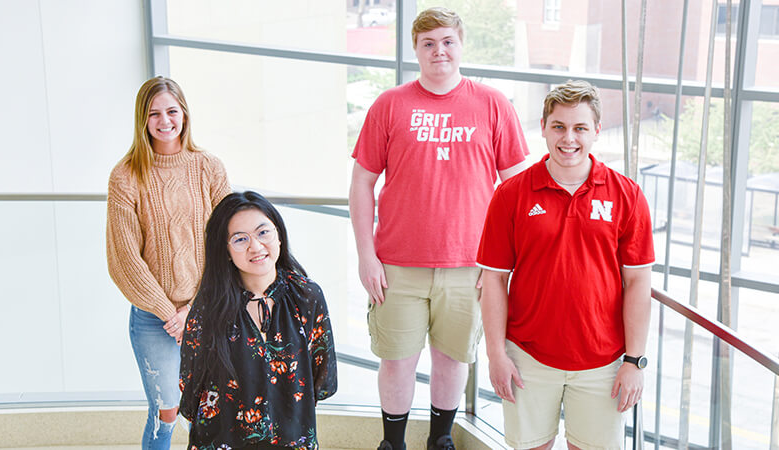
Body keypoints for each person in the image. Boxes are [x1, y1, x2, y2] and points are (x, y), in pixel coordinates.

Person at [349, 7, 529, 450]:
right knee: (396, 361)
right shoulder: (390, 105)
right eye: (428, 44)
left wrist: (501, 267)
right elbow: (361, 183)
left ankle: (441, 440)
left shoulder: (492, 104)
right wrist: (366, 255)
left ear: (461, 45)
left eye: (447, 42)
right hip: (396, 266)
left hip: (469, 266)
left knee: (452, 361)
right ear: (416, 50)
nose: (439, 51)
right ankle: (393, 443)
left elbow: (517, 191)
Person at [477, 80, 654, 450]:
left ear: (597, 132)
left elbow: (638, 283)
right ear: (543, 127)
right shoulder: (511, 194)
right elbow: (493, 279)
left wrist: (634, 361)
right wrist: (495, 354)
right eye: (558, 126)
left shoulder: (627, 194)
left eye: (580, 128)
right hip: (527, 357)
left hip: (603, 362)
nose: (568, 138)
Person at [107, 76, 231, 450]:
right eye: (154, 113)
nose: (165, 121)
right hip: (154, 319)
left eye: (172, 111)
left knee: (214, 407)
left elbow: (229, 241)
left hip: (207, 309)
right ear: (142, 120)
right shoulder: (125, 176)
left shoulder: (208, 167)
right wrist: (171, 315)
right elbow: (125, 258)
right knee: (167, 412)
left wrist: (192, 310)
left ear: (184, 114)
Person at [178, 191, 337, 449]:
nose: (256, 246)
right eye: (240, 239)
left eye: (263, 232)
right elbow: (191, 381)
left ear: (279, 235)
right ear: (226, 251)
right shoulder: (209, 306)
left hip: (292, 436)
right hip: (222, 439)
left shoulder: (307, 296)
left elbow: (321, 371)